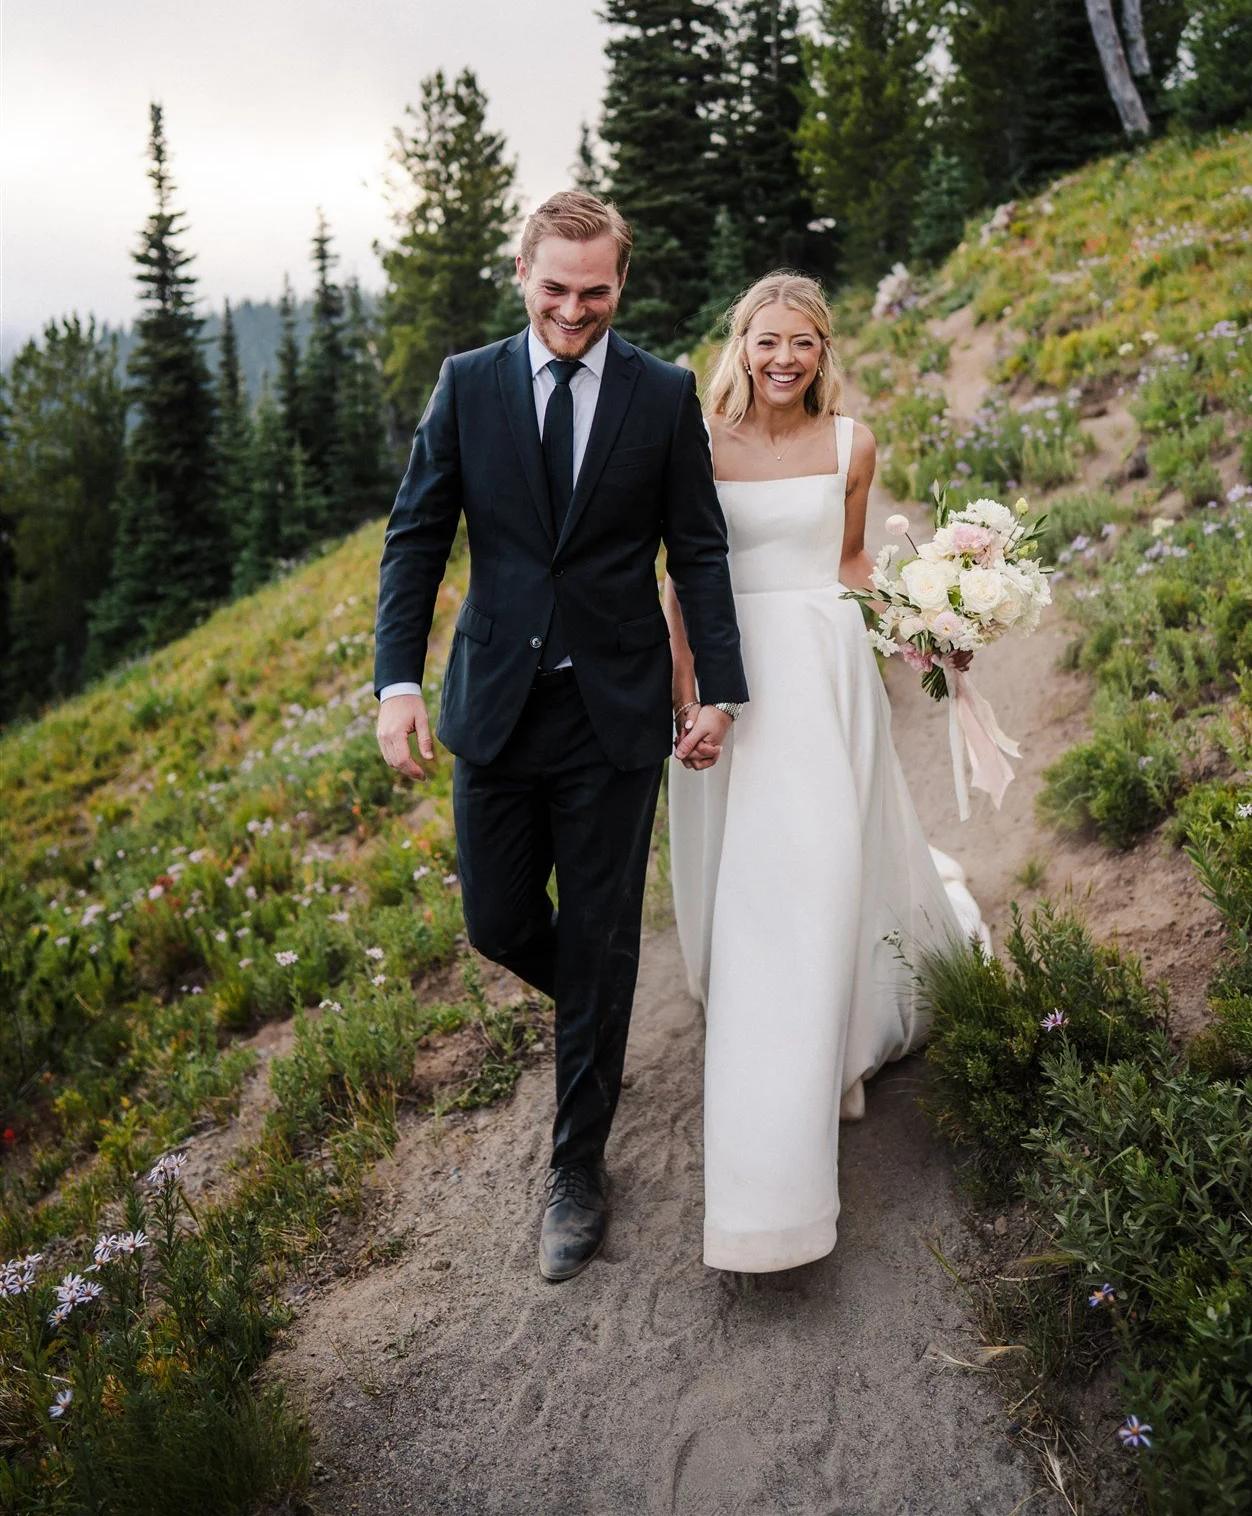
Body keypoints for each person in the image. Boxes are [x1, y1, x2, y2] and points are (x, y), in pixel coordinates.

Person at [374, 192, 747, 1283]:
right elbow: (416, 535)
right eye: (555, 288)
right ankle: (602, 999)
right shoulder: (468, 382)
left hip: (617, 711)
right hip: (494, 701)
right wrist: (396, 679)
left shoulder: (664, 393)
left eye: (595, 291)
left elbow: (701, 549)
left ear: (619, 283)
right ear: (521, 272)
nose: (573, 310)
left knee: (596, 933)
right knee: (498, 922)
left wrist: (716, 687)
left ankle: (577, 1168)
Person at [666, 273, 987, 1274]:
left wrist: (922, 622)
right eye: (768, 339)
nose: (784, 357)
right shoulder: (699, 443)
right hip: (732, 674)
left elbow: (848, 562)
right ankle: (785, 1040)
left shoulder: (853, 443)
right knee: (758, 874)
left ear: (822, 350)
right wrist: (686, 689)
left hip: (827, 672)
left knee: (820, 859)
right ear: (742, 343)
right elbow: (681, 572)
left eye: (802, 341)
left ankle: (825, 1048)